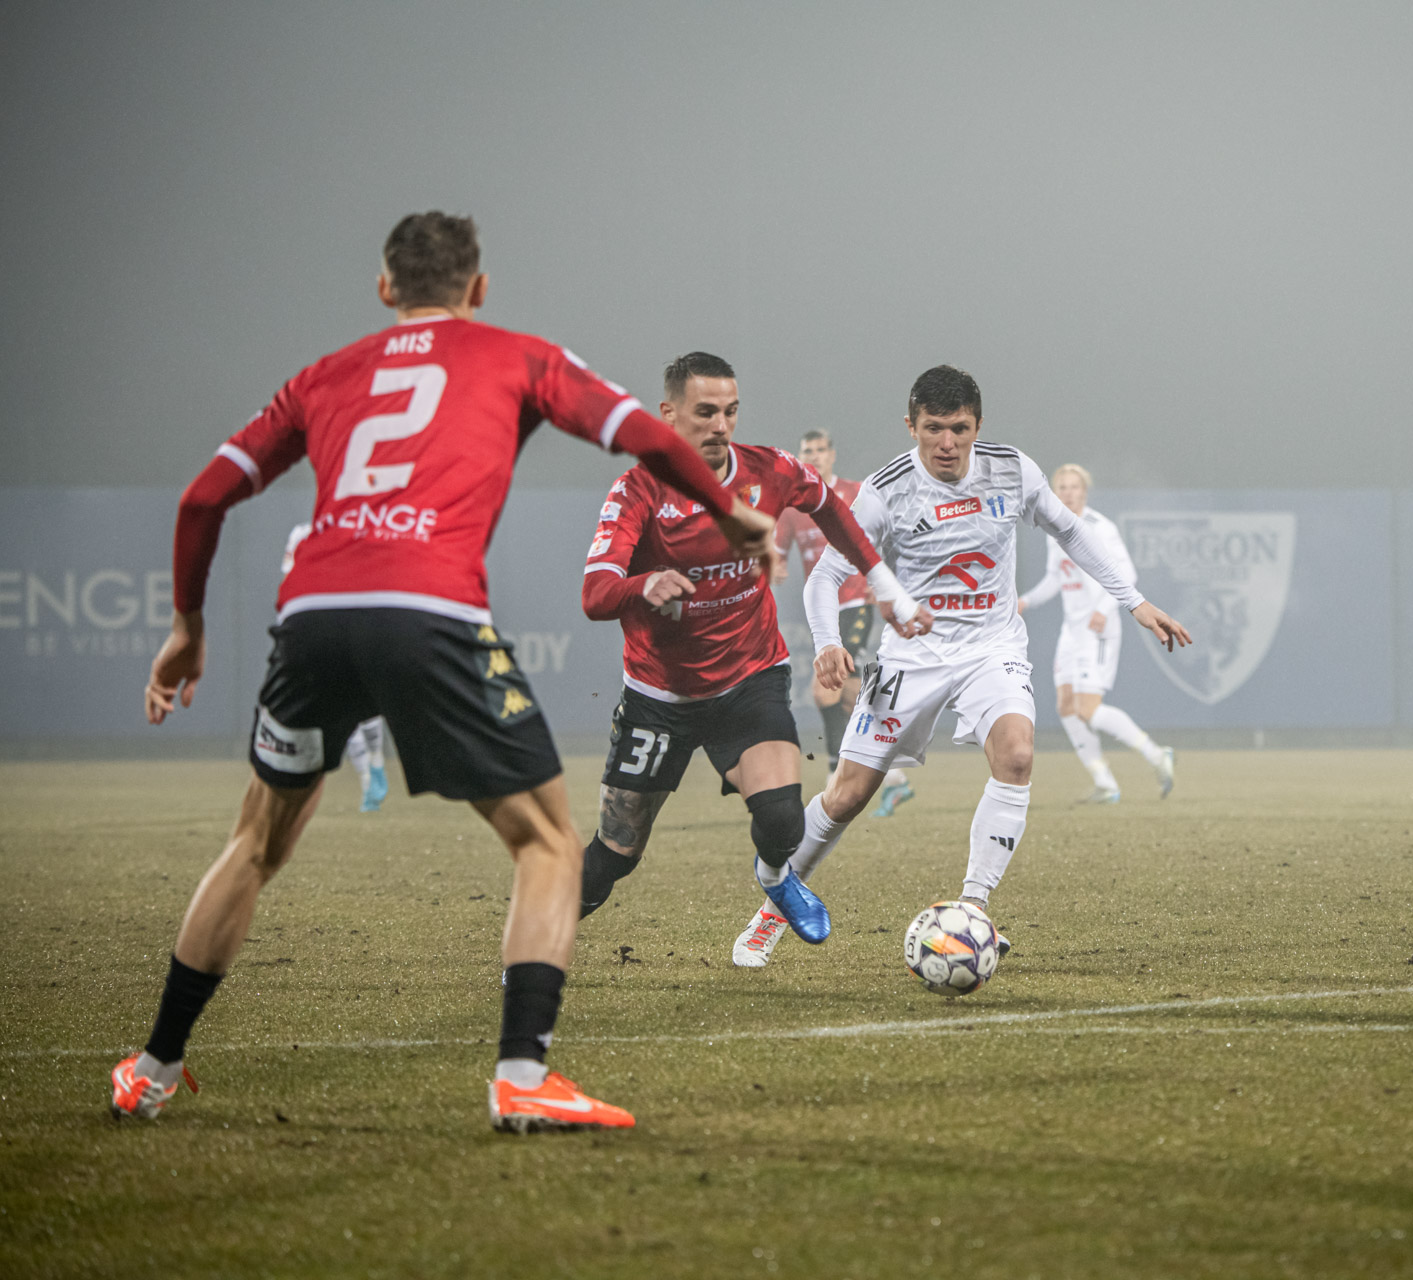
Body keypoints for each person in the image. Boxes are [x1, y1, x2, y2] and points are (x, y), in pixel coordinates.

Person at [120, 212, 774, 1133]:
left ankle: (151, 1068)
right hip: (427, 611)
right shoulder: (520, 357)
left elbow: (202, 498)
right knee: (549, 844)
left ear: (386, 288)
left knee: (255, 843)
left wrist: (187, 628)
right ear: (479, 288)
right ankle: (522, 1076)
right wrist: (730, 512)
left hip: (310, 619)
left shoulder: (323, 375)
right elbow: (646, 437)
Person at [730, 365, 1190, 968]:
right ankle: (772, 911)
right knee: (847, 795)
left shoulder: (1012, 470)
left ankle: (973, 910)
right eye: (933, 429)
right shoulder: (887, 491)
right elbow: (826, 576)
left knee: (1017, 755)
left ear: (978, 425)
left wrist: (1134, 601)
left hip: (991, 647)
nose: (947, 443)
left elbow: (1071, 532)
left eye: (960, 429)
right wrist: (825, 641)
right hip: (911, 656)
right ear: (911, 425)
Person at [574, 353, 911, 970]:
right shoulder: (637, 491)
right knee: (615, 854)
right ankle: (538, 941)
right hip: (660, 697)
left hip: (749, 679)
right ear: (668, 414)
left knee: (783, 820)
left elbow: (830, 508)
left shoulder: (769, 469)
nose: (720, 425)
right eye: (705, 412)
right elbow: (595, 594)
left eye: (730, 411)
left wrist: (880, 580)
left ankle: (776, 875)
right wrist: (642, 585)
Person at [773, 430, 915, 816]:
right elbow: (776, 552)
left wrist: (881, 580)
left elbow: (888, 537)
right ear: (800, 456)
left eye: (821, 450)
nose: (815, 456)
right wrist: (775, 564)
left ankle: (834, 774)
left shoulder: (854, 493)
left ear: (831, 455)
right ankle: (895, 778)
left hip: (856, 603)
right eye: (808, 451)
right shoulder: (792, 508)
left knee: (825, 691)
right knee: (852, 695)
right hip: (825, 612)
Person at [1018, 464, 1175, 803]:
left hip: (1098, 629)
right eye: (1062, 486)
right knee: (1066, 707)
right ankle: (1105, 783)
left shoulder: (1101, 527)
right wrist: (1025, 602)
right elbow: (1055, 578)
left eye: (1074, 486)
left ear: (1084, 491)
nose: (1068, 492)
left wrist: (1104, 609)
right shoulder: (1053, 527)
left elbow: (1127, 572)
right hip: (1072, 631)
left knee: (1088, 709)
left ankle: (1157, 755)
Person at [283, 523, 388, 810]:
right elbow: (290, 575)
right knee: (340, 705)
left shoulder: (354, 527)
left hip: (357, 623)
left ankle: (377, 761)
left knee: (367, 702)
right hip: (320, 628)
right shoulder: (301, 534)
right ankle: (367, 779)